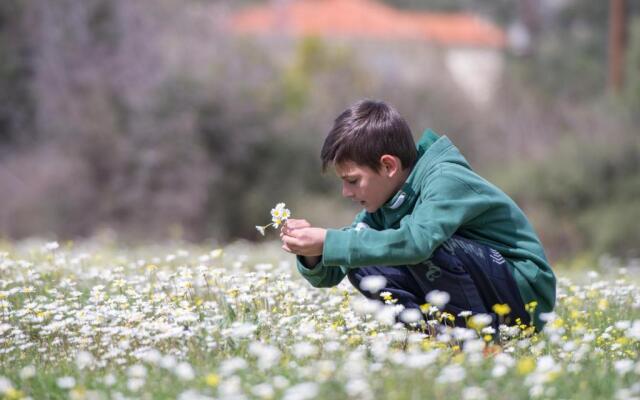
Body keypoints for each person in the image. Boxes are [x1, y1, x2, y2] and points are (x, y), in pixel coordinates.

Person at [280, 99, 556, 331]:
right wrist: (312, 252)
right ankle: (431, 338)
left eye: (352, 180)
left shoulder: (444, 178)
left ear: (388, 166)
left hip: (523, 291)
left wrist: (329, 241)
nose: (346, 192)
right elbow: (333, 271)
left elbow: (417, 242)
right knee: (360, 252)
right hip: (487, 287)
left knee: (421, 246)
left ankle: (473, 343)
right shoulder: (387, 201)